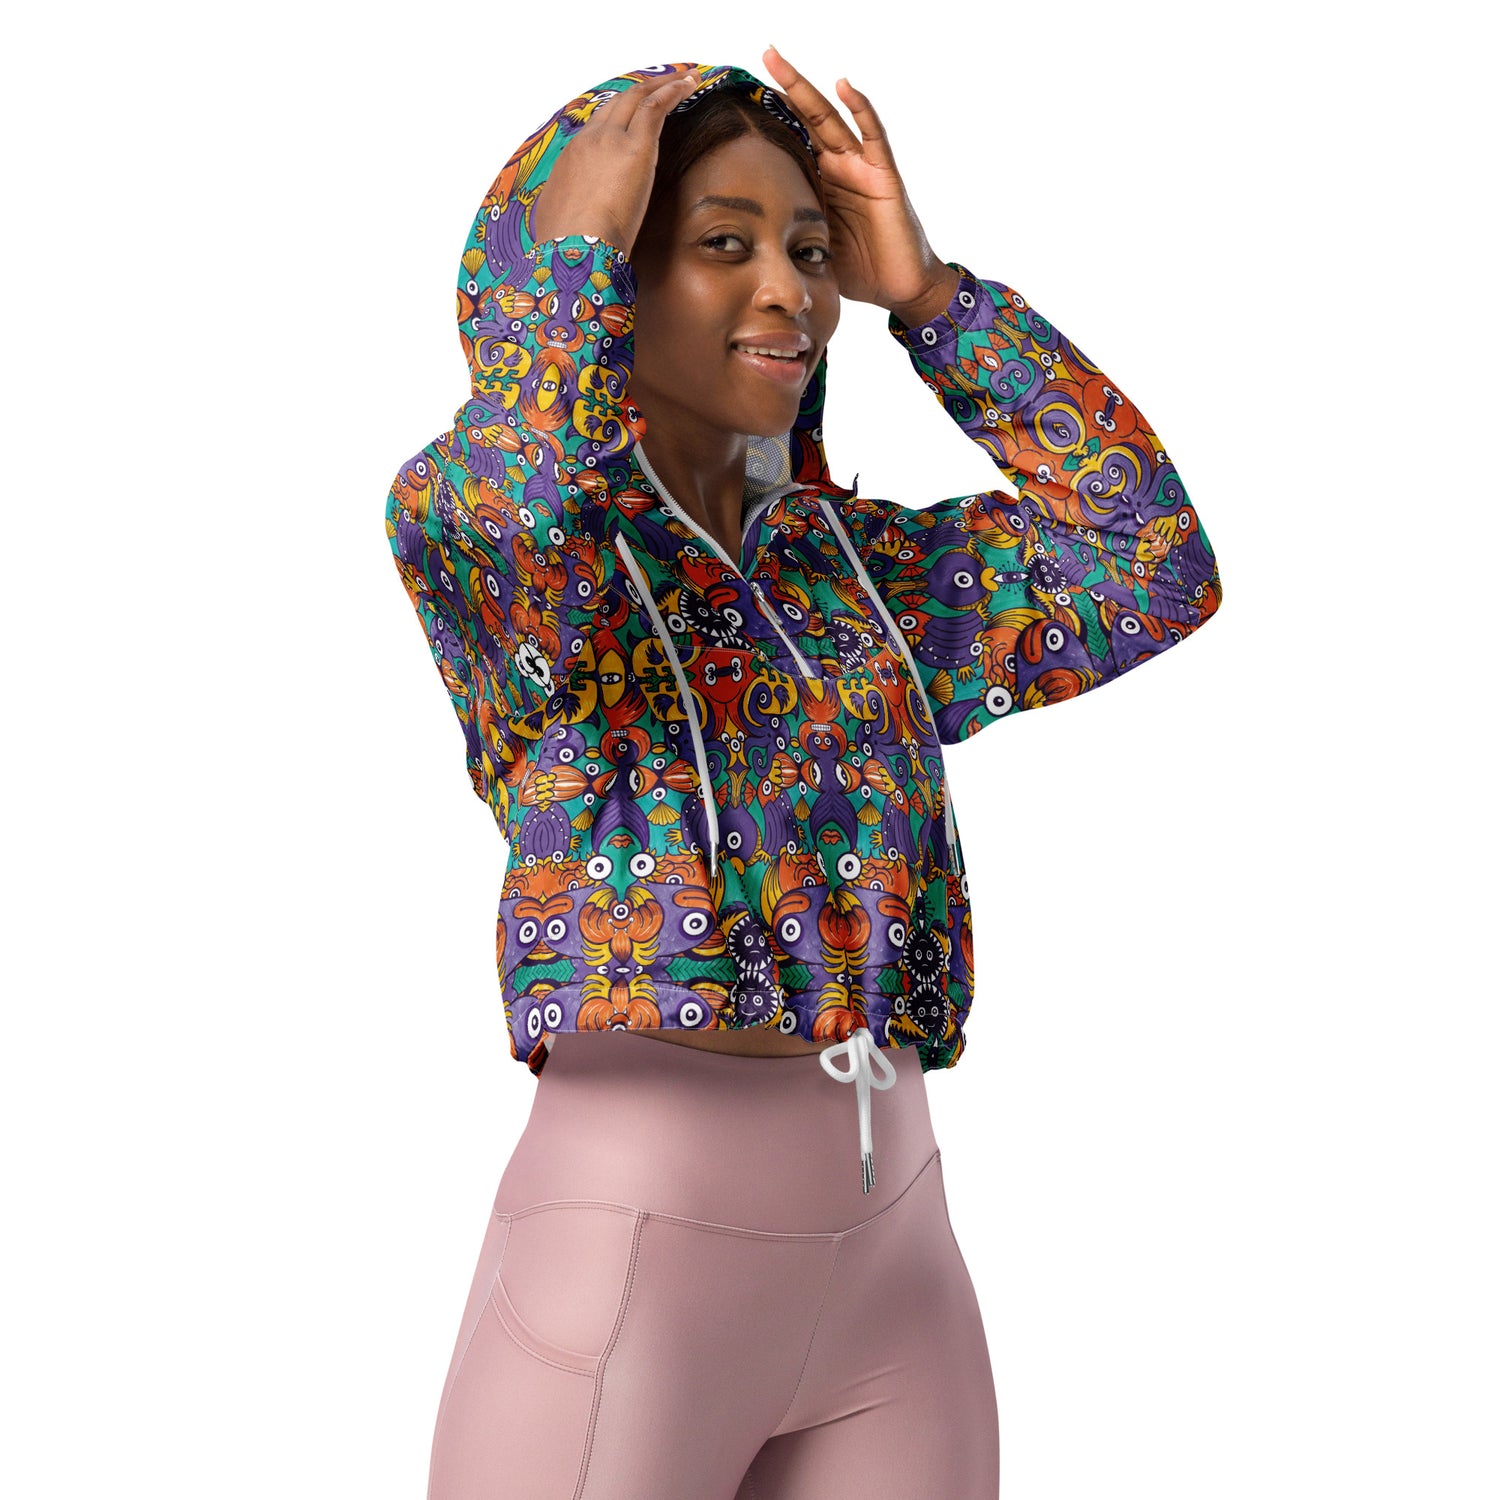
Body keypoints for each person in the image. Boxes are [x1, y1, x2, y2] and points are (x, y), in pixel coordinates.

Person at [384, 53, 1221, 1500]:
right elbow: (525, 502)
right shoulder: (486, 533)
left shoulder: (862, 572)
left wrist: (932, 299)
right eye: (723, 244)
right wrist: (562, 274)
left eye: (811, 250)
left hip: (897, 1253)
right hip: (634, 1252)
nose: (791, 291)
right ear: (600, 273)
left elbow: (1150, 564)